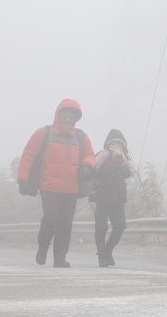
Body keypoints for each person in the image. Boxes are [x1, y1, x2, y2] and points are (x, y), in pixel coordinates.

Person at [17, 99, 95, 268]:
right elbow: (28, 155)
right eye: (65, 116)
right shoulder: (44, 133)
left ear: (75, 119)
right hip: (48, 187)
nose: (68, 119)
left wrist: (88, 166)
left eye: (71, 117)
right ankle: (43, 247)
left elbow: (89, 155)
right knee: (50, 219)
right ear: (58, 115)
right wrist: (22, 178)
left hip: (71, 189)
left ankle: (60, 257)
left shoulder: (81, 137)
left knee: (66, 223)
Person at [90, 128, 137, 267]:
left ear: (123, 146)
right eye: (113, 143)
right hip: (101, 197)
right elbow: (91, 175)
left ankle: (107, 251)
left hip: (118, 198)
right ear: (108, 144)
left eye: (119, 143)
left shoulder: (124, 160)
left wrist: (121, 160)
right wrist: (91, 197)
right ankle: (102, 257)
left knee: (120, 226)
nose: (115, 146)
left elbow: (127, 174)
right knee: (101, 228)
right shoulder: (101, 156)